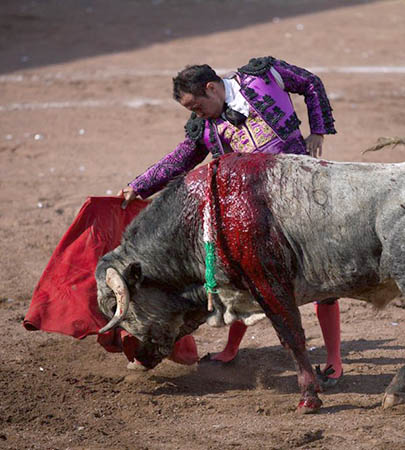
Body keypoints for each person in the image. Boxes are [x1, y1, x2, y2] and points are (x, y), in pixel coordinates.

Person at [118, 56, 343, 387]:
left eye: (197, 106)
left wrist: (318, 131)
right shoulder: (206, 127)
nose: (197, 115)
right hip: (254, 210)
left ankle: (334, 360)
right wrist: (139, 186)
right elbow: (180, 160)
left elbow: (311, 83)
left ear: (211, 88)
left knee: (323, 276)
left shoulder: (264, 76)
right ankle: (230, 349)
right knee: (246, 275)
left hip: (299, 195)